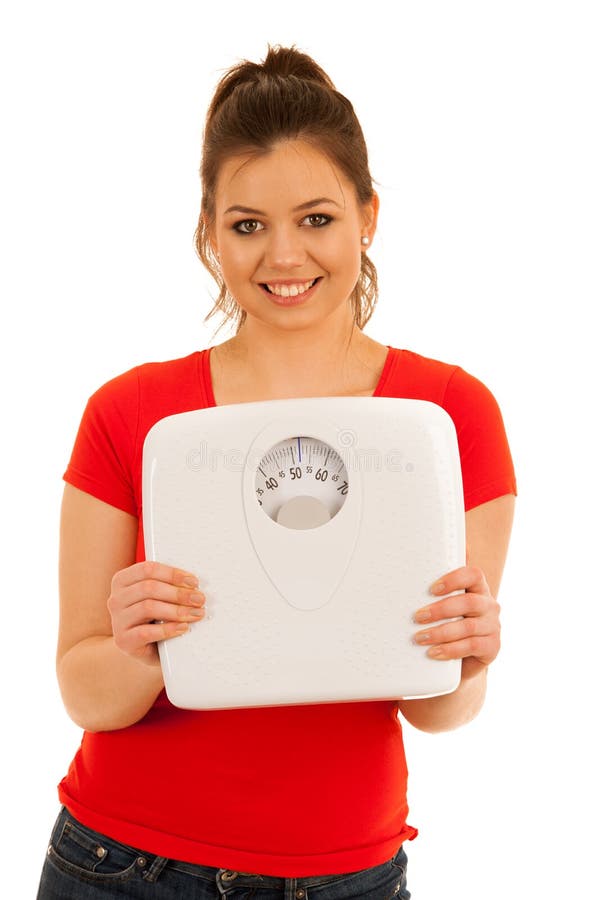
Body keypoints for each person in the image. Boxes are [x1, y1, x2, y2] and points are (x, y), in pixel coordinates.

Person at [37, 43, 516, 899]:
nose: (284, 256)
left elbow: (437, 707)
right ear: (209, 234)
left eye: (318, 218)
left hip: (345, 878)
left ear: (369, 216)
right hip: (123, 865)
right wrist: (143, 646)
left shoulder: (448, 417)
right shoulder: (130, 413)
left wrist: (469, 658)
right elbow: (84, 689)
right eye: (247, 225)